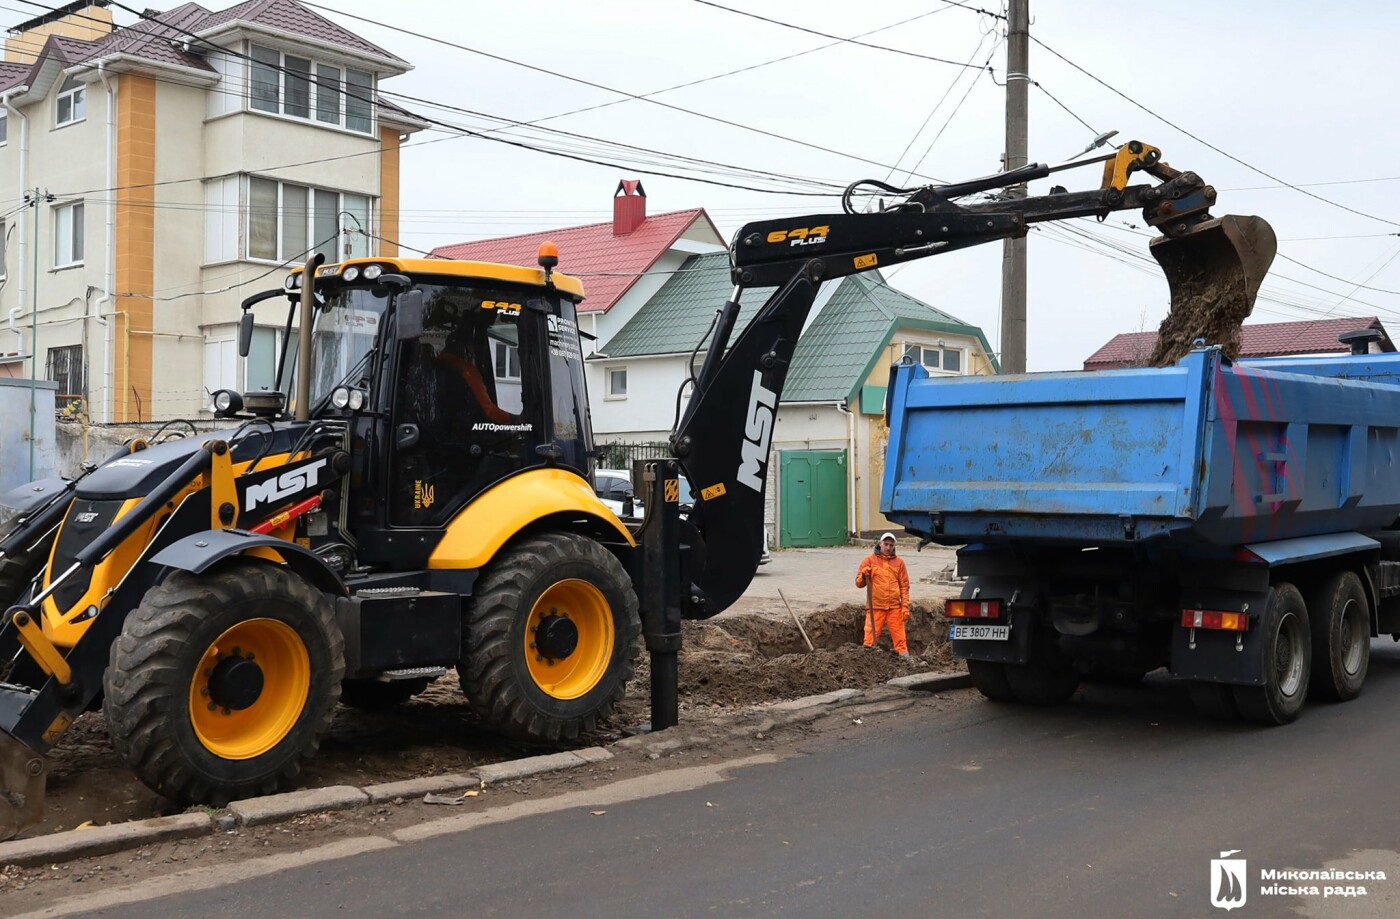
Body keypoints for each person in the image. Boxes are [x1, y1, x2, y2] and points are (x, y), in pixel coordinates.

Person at [856, 533, 911, 658]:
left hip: (894, 608)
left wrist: (905, 606)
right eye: (886, 544)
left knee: (900, 641)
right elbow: (859, 584)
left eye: (891, 545)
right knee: (869, 640)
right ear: (880, 544)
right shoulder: (869, 560)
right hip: (875, 607)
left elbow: (904, 586)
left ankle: (905, 663)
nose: (888, 547)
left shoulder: (899, 563)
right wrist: (863, 576)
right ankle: (866, 663)